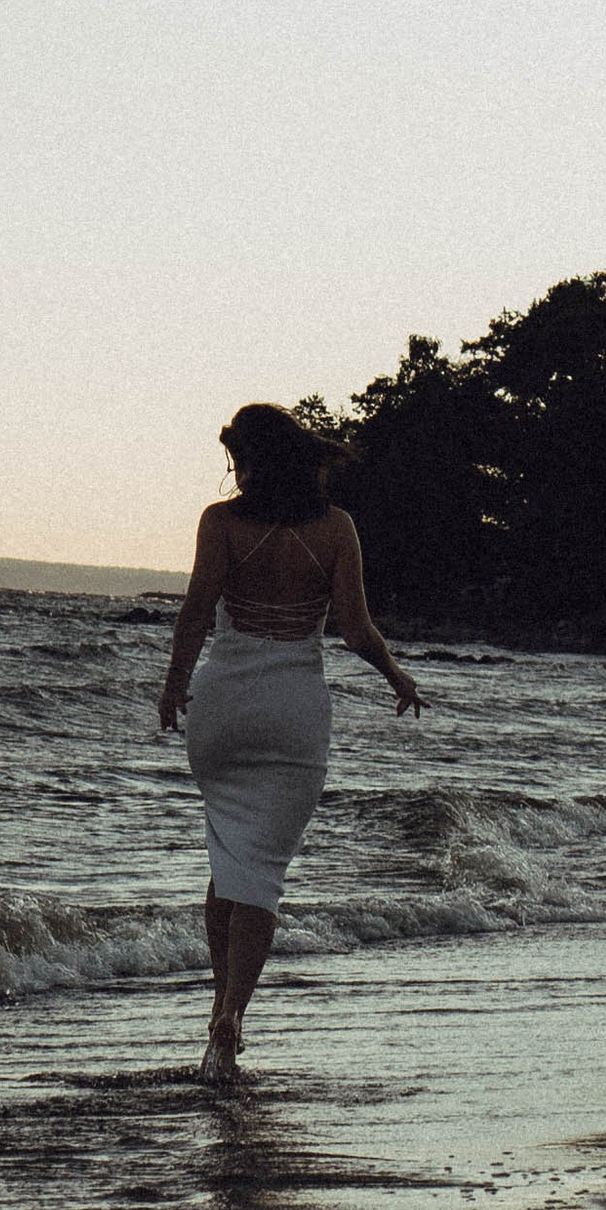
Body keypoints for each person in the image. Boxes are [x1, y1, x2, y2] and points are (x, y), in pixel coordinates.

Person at [157, 404, 423, 1079]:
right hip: (293, 710)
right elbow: (356, 630)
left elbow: (195, 612)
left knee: (228, 859)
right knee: (261, 871)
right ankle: (233, 1014)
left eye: (237, 459)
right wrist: (397, 676)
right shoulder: (336, 528)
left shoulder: (220, 522)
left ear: (253, 459)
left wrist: (173, 686)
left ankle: (219, 1007)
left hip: (223, 704)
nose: (233, 471)